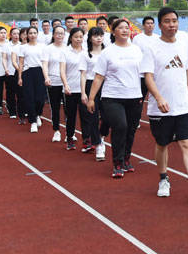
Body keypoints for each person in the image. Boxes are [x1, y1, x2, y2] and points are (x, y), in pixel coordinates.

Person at [142, 7, 188, 201]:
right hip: (161, 107)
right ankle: (163, 179)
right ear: (159, 24)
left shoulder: (183, 44)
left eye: (174, 21)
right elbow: (148, 77)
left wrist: (187, 87)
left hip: (182, 104)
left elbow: (187, 68)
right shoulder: (152, 48)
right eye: (167, 21)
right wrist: (159, 97)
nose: (171, 24)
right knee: (162, 143)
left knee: (186, 142)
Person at [87, 18, 144, 178]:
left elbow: (146, 74)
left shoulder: (136, 50)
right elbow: (98, 77)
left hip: (134, 96)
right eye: (121, 28)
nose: (125, 30)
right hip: (112, 96)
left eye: (127, 28)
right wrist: (91, 98)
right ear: (113, 31)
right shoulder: (108, 52)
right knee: (120, 126)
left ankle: (126, 158)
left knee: (131, 130)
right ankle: (117, 162)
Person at [80, 27, 107, 160]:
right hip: (91, 85)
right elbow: (83, 74)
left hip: (107, 85)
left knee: (108, 117)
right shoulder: (85, 54)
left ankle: (101, 136)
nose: (98, 38)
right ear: (90, 38)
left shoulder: (108, 52)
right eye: (95, 35)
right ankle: (98, 145)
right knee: (93, 117)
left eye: (100, 35)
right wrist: (83, 92)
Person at [61, 27, 88, 151]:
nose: (78, 39)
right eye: (76, 37)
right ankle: (70, 137)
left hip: (84, 90)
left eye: (81, 37)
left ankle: (86, 140)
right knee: (71, 116)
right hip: (70, 89)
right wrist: (65, 85)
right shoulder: (65, 51)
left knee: (85, 116)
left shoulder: (87, 52)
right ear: (71, 37)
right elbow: (62, 71)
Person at [17, 26, 48, 133]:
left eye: (34, 33)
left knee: (40, 98)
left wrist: (46, 76)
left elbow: (44, 62)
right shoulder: (23, 47)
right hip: (27, 72)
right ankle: (33, 121)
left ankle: (38, 114)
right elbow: (20, 63)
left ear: (37, 34)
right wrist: (20, 77)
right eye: (30, 33)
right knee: (29, 97)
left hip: (40, 72)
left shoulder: (43, 46)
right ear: (27, 35)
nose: (32, 35)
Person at [43, 26, 68, 143]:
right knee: (55, 107)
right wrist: (46, 77)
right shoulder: (48, 49)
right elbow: (45, 65)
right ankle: (56, 130)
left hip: (66, 83)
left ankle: (70, 132)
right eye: (57, 33)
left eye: (62, 33)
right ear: (53, 35)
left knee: (69, 109)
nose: (59, 36)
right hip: (53, 81)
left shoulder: (68, 49)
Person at [3, 27, 20, 118]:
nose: (16, 35)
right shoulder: (7, 45)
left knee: (20, 92)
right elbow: (4, 58)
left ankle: (22, 109)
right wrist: (6, 68)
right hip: (10, 71)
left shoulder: (22, 45)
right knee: (10, 92)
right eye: (14, 33)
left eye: (18, 33)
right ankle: (12, 111)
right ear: (10, 35)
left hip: (20, 72)